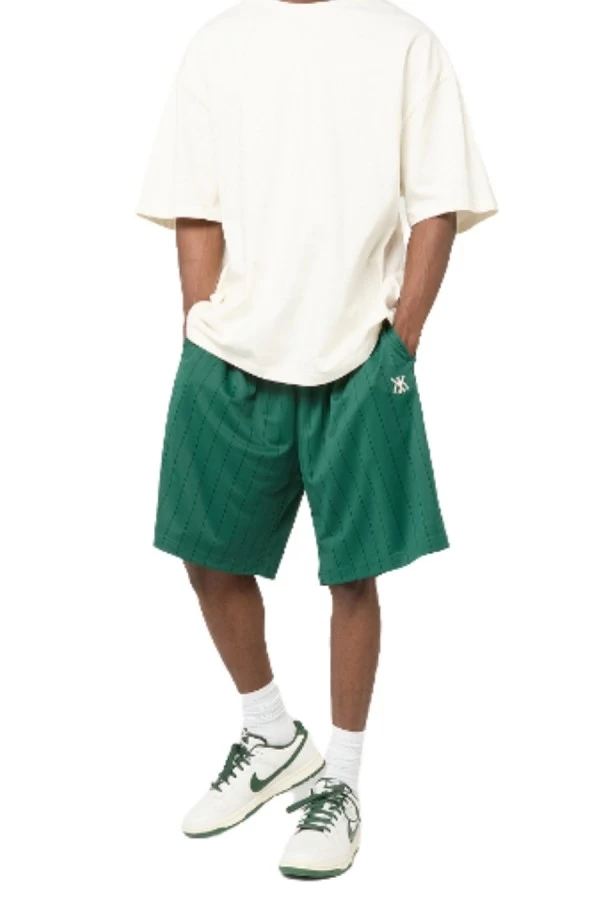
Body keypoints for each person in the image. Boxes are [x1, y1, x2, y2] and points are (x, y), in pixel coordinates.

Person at [136, 0, 497, 880]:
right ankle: (271, 737)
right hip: (230, 349)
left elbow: (438, 205)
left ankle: (341, 779)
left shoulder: (406, 42)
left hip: (361, 351)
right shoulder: (217, 44)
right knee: (204, 554)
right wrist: (198, 325)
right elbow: (195, 204)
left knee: (352, 572)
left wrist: (402, 342)